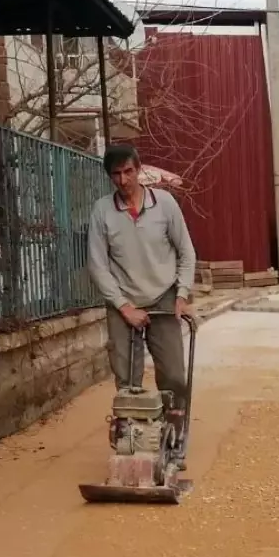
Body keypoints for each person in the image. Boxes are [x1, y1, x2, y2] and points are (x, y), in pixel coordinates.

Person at [87, 143, 196, 406]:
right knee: (126, 379)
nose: (123, 180)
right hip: (124, 300)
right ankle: (131, 431)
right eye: (116, 174)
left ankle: (173, 427)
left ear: (138, 169)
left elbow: (186, 252)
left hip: (163, 296)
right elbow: (97, 264)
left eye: (128, 172)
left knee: (173, 375)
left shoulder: (165, 204)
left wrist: (181, 295)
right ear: (109, 176)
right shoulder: (102, 211)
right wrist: (124, 307)